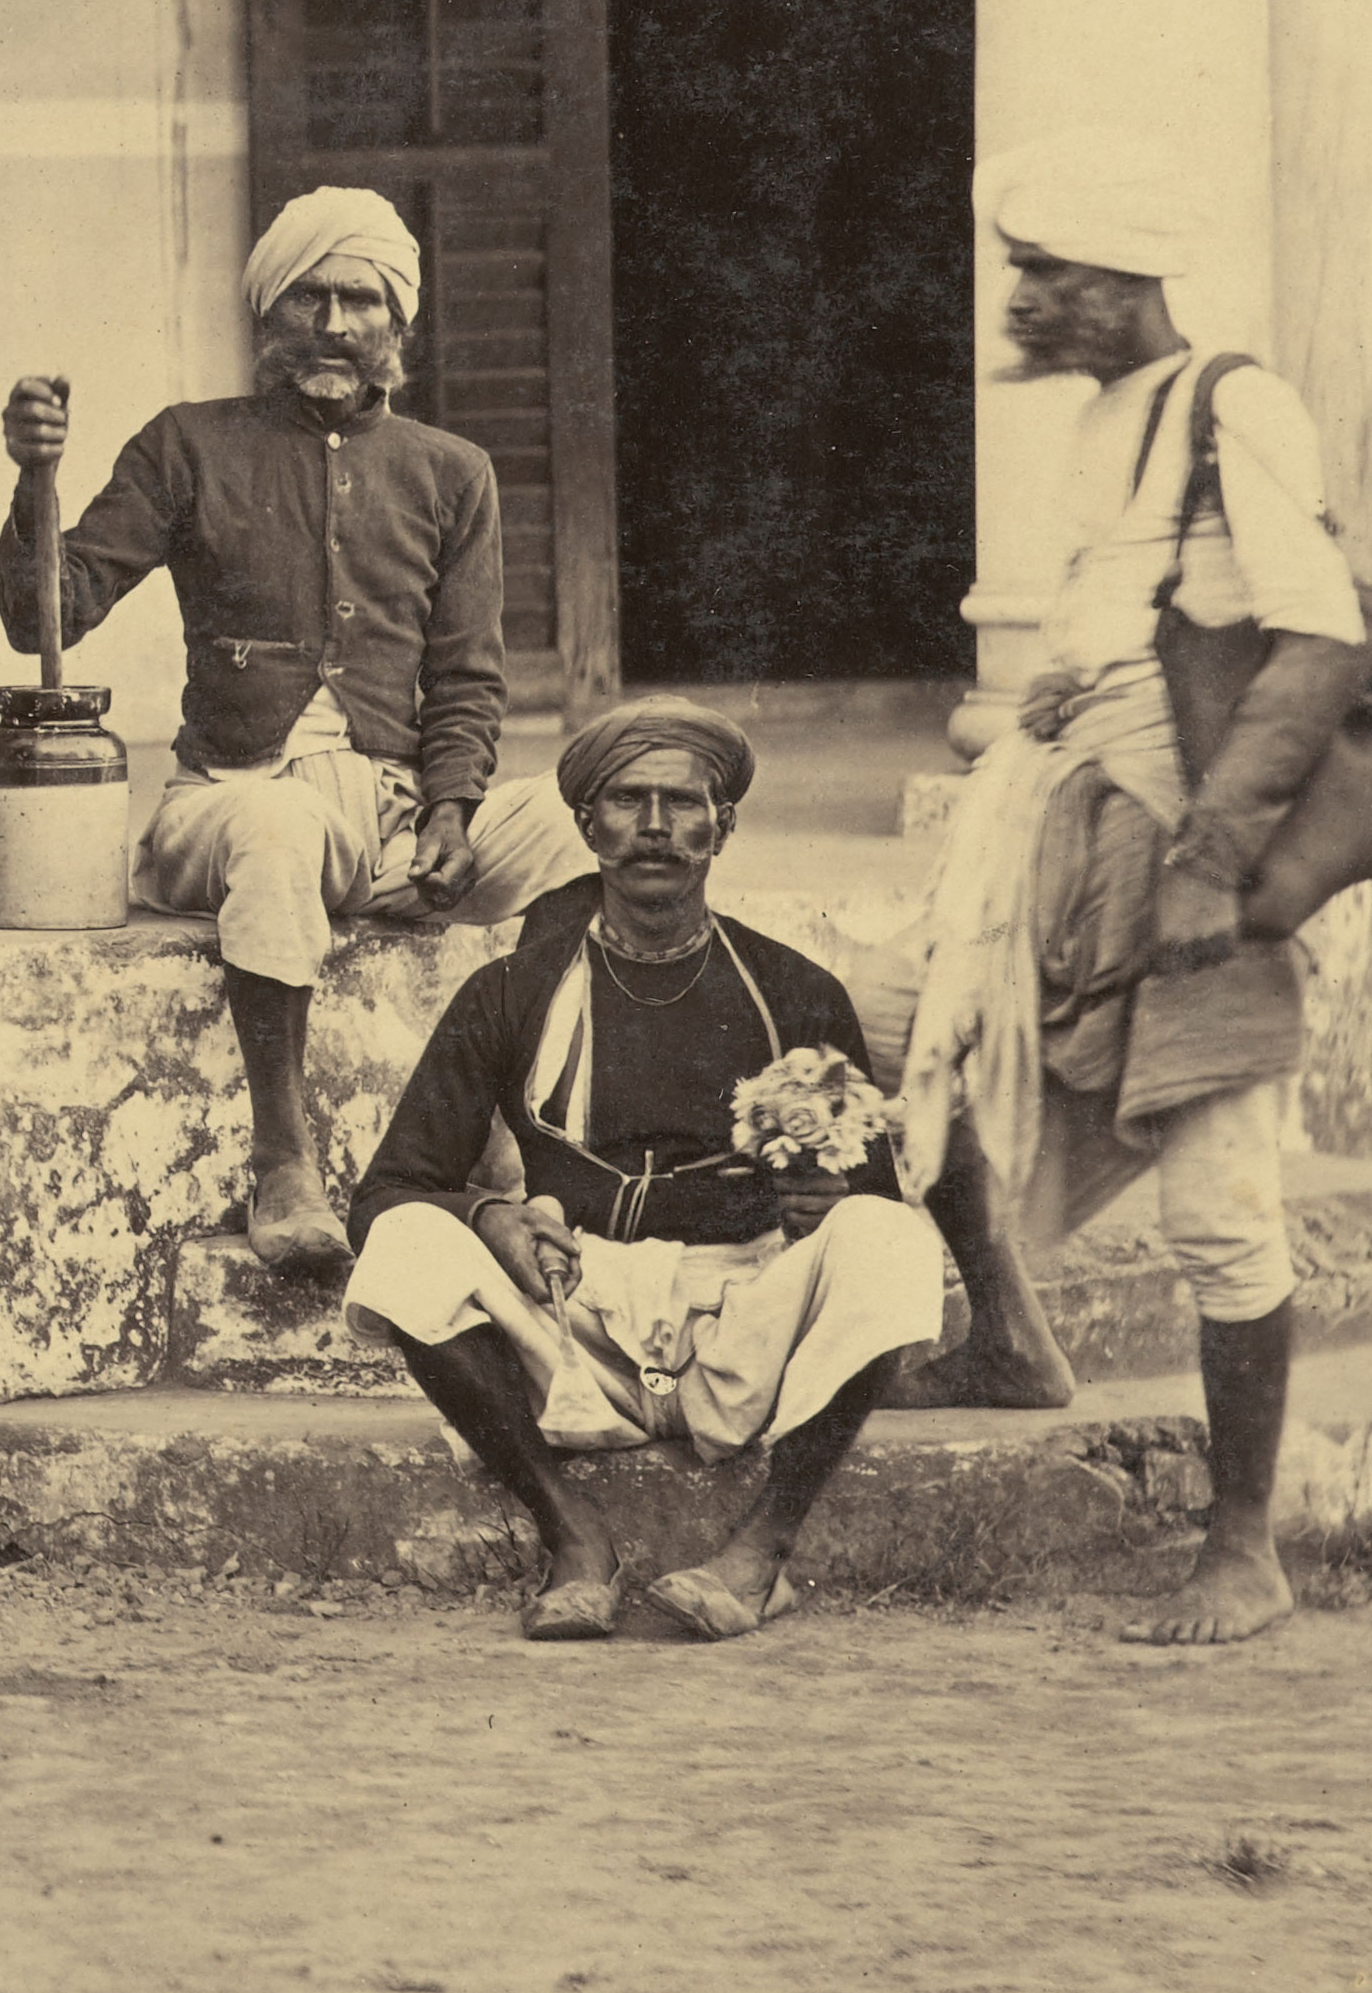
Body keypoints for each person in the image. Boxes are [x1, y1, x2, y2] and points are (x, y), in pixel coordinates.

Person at [907, 135, 1372, 1649]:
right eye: (1019, 270)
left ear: (1121, 284)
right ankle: (1007, 1348)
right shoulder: (1106, 418)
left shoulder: (1232, 402)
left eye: (1045, 274)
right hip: (1084, 842)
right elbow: (1138, 624)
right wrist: (1062, 695)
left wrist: (1208, 862)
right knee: (942, 1073)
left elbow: (1311, 644)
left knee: (1217, 1203)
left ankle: (1241, 1548)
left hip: (1193, 871)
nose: (1021, 299)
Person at [0, 190, 585, 1282]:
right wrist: (35, 483)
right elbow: (49, 613)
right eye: (307, 294)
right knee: (274, 823)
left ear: (396, 327)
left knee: (573, 824)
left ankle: (528, 1131)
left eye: (358, 298)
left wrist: (451, 812)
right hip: (228, 803)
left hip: (391, 817)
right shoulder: (186, 445)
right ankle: (285, 1162)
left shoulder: (450, 471)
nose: (331, 321)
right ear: (268, 310)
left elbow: (465, 676)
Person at [339, 704, 949, 1643]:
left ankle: (759, 1555)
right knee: (407, 1243)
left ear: (722, 827)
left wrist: (820, 1211)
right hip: (571, 1317)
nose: (655, 826)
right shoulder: (510, 991)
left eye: (681, 803)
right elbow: (388, 1191)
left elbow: (867, 1201)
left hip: (742, 1318)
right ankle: (573, 1537)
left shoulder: (794, 991)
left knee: (890, 1240)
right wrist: (490, 1215)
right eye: (626, 801)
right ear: (587, 826)